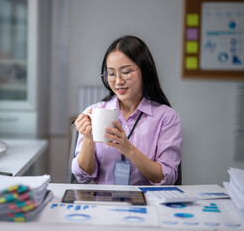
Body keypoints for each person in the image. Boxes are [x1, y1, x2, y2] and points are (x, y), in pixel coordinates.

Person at [72, 35, 182, 185]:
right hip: (103, 203)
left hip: (148, 204)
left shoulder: (167, 117)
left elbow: (166, 178)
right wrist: (88, 138)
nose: (118, 81)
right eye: (111, 74)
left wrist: (129, 150)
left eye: (126, 71)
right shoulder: (94, 112)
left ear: (146, 70)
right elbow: (83, 176)